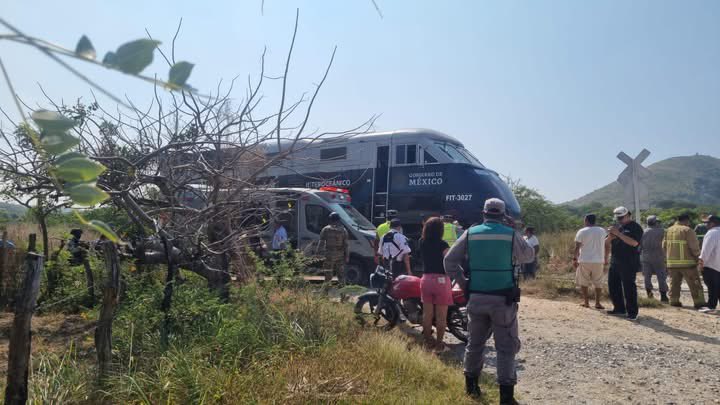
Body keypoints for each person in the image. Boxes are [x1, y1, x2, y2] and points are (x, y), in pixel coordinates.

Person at [444, 198, 535, 404]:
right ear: (503, 215)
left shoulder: (470, 233)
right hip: (502, 300)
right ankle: (506, 398)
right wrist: (515, 230)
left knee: (475, 344)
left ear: (483, 213)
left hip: (476, 297)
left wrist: (464, 283)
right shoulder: (510, 234)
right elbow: (528, 256)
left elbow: (449, 261)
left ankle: (472, 389)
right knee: (506, 348)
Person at [418, 217, 452, 352]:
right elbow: (449, 259)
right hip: (441, 281)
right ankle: (439, 345)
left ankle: (427, 341)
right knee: (441, 316)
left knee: (427, 314)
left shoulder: (422, 242)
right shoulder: (443, 244)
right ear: (440, 230)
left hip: (426, 279)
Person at [605, 206, 643, 320]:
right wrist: (610, 236)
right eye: (618, 218)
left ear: (628, 215)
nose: (619, 220)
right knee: (613, 285)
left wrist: (619, 234)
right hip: (615, 261)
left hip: (629, 262)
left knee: (629, 287)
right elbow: (606, 242)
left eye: (621, 217)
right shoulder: (617, 227)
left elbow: (634, 243)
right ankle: (619, 308)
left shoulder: (635, 227)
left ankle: (632, 312)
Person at [663, 213, 706, 308]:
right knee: (695, 284)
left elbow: (664, 246)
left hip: (672, 264)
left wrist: (666, 260)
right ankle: (699, 303)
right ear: (686, 220)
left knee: (674, 284)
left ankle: (673, 301)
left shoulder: (668, 230)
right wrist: (698, 257)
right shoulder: (687, 230)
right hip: (688, 264)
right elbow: (694, 246)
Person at [573, 214, 607, 309]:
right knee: (598, 282)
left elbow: (577, 247)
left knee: (583, 281)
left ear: (586, 220)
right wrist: (606, 257)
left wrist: (575, 258)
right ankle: (597, 303)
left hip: (585, 260)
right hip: (599, 260)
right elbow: (606, 243)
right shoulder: (602, 231)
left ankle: (586, 302)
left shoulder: (582, 231)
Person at [640, 215, 669, 302]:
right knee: (661, 276)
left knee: (647, 277)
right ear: (655, 222)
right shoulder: (662, 231)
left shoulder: (643, 232)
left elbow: (640, 245)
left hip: (645, 257)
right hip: (659, 256)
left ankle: (649, 294)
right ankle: (663, 296)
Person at [318, 212, 349, 284]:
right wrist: (347, 256)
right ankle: (342, 290)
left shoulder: (325, 229)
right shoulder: (343, 230)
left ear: (330, 219)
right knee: (341, 275)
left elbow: (321, 243)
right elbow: (346, 245)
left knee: (328, 276)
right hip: (340, 255)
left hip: (329, 255)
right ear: (338, 220)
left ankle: (326, 290)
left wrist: (318, 253)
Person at [699, 215, 720, 312]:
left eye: (707, 223)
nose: (705, 225)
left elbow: (706, 250)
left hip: (711, 265)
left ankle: (711, 306)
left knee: (712, 286)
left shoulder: (712, 233)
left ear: (712, 223)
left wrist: (701, 261)